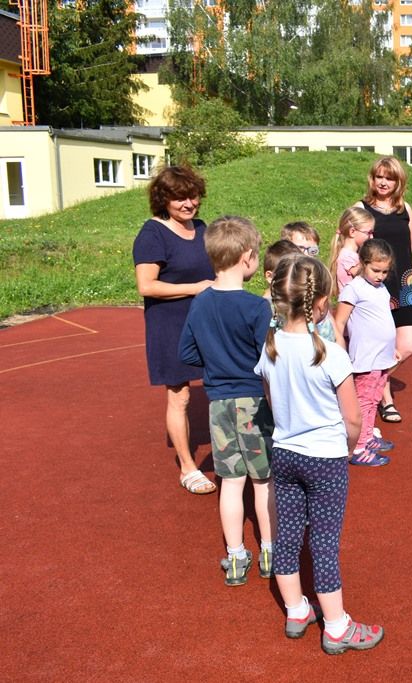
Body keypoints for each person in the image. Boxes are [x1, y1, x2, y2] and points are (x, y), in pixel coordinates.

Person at [255, 255, 384, 655]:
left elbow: (273, 403)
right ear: (323, 302)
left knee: (287, 537)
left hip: (286, 453)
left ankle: (296, 610)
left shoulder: (271, 348)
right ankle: (336, 626)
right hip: (325, 458)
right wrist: (344, 451)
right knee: (324, 544)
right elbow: (353, 419)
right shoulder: (330, 353)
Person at [178, 216, 274, 586]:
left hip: (218, 403)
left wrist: (216, 359)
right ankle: (269, 549)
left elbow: (187, 352)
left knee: (231, 482)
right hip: (252, 401)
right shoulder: (255, 308)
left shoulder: (200, 304)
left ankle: (235, 557)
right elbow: (269, 359)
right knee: (264, 481)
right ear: (249, 257)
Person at [132, 165, 216, 495]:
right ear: (163, 199)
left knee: (221, 386)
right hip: (170, 324)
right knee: (180, 396)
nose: (188, 203)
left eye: (193, 195)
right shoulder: (152, 234)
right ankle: (188, 467)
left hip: (205, 322)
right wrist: (196, 288)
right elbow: (146, 286)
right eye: (179, 197)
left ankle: (228, 452)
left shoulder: (201, 228)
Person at [357, 156, 412, 424]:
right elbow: (352, 245)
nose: (383, 182)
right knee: (380, 344)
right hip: (375, 286)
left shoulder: (405, 208)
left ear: (398, 181)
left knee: (407, 346)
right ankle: (385, 399)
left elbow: (411, 246)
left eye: (389, 177)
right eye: (379, 176)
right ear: (372, 178)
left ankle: (366, 385)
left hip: (404, 282)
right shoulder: (360, 209)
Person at [335, 239, 399, 466]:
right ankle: (359, 447)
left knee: (373, 399)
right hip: (365, 358)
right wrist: (339, 350)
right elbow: (339, 322)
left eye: (385, 271)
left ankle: (368, 436)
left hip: (382, 356)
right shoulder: (354, 289)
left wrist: (393, 349)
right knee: (364, 401)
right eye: (375, 270)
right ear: (363, 263)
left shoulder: (381, 288)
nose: (380, 276)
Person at [280, 222, 341, 344]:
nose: (307, 254)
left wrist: (340, 349)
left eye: (312, 250)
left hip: (329, 350)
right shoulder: (285, 286)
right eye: (301, 248)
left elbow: (333, 326)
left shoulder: (317, 283)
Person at [328, 206, 376, 297]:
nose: (372, 237)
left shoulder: (352, 255)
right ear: (352, 232)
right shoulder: (347, 256)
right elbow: (363, 274)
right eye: (368, 233)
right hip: (352, 307)